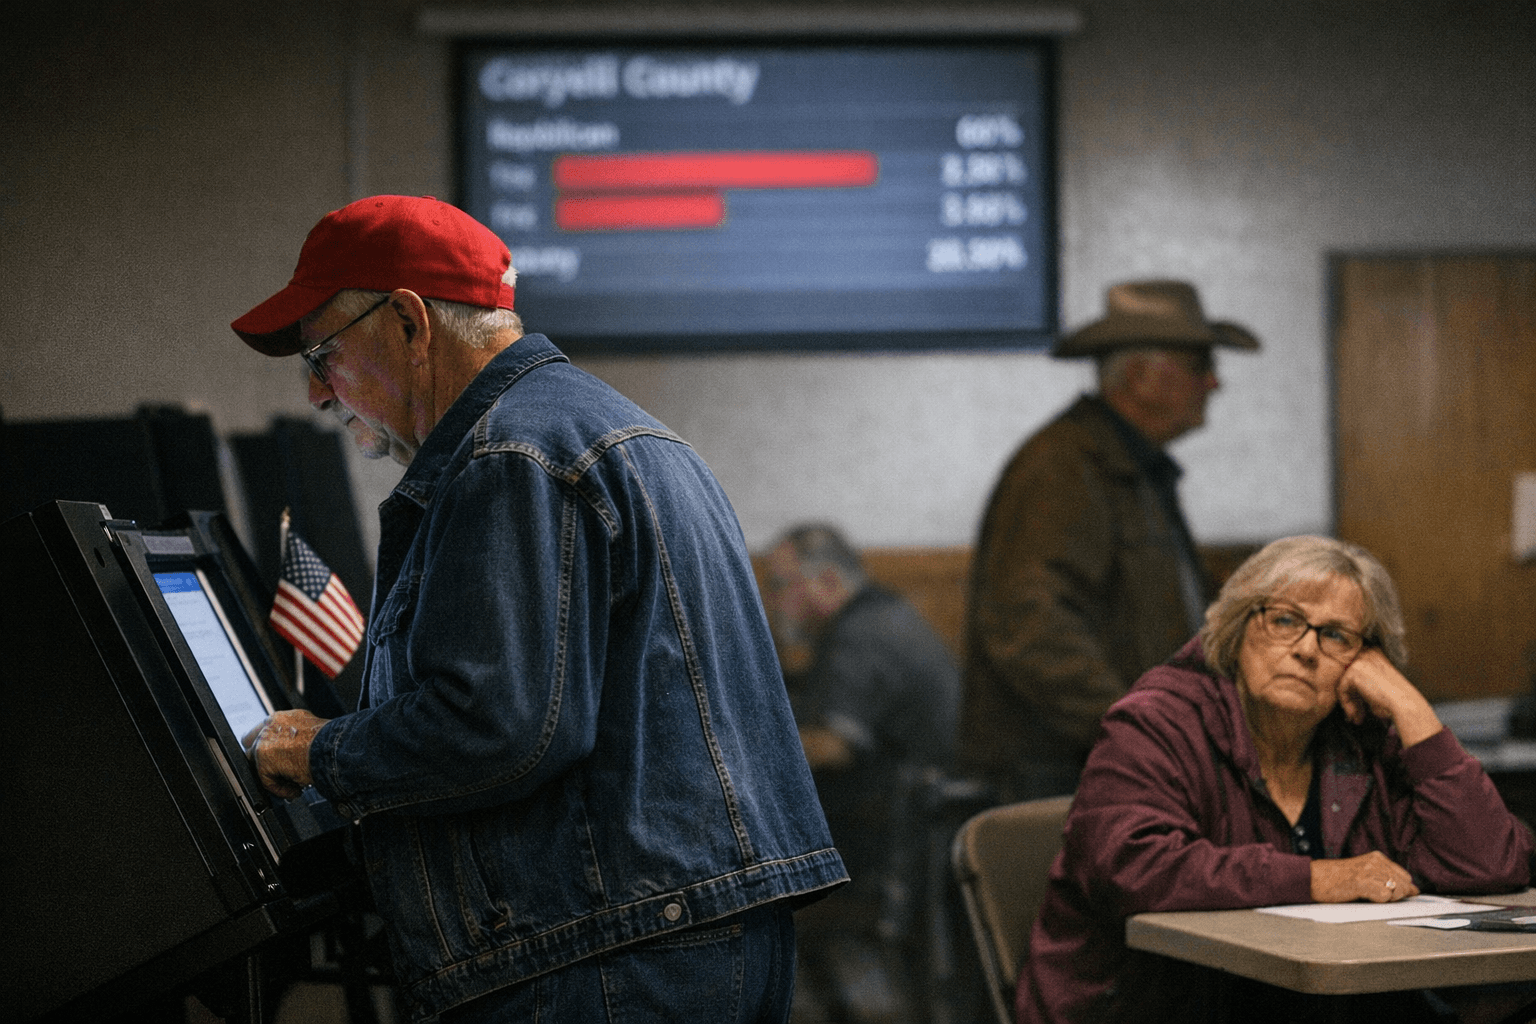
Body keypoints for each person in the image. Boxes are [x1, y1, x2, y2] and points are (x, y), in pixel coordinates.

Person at [231, 195, 846, 1024]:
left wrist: (320, 751)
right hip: (685, 937)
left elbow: (497, 728)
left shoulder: (508, 456)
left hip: (608, 959)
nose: (315, 392)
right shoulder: (614, 429)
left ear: (409, 322)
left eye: (322, 353)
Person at [1020, 535, 1534, 1024]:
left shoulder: (1364, 740)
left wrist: (1412, 709)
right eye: (1285, 621)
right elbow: (1130, 866)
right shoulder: (1156, 721)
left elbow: (1490, 866)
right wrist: (1319, 878)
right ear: (1239, 627)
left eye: (1336, 636)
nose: (1307, 650)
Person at [959, 279, 1260, 802]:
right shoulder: (1064, 467)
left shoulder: (1123, 467)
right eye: (1200, 366)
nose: (1214, 383)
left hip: (1104, 767)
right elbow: (1031, 630)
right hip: (1063, 778)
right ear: (1141, 376)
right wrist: (1140, 731)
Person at [760, 524, 961, 1023]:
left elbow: (831, 746)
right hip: (919, 832)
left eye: (781, 586)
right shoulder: (882, 615)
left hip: (896, 849)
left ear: (828, 581)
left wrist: (740, 759)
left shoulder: (861, 635)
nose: (773, 602)